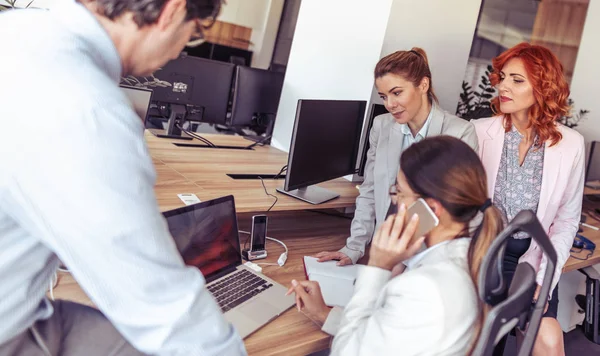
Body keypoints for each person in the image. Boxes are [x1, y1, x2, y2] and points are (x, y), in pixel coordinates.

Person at [0, 0, 247, 355]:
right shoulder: (88, 108)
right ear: (172, 11)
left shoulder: (19, 29)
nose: (179, 52)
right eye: (190, 36)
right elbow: (161, 308)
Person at [313, 48, 478, 334]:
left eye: (397, 93)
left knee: (372, 327)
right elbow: (369, 190)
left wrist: (393, 255)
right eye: (383, 96)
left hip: (427, 258)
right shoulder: (381, 126)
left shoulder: (460, 133)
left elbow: (454, 207)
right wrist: (354, 247)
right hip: (385, 252)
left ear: (423, 85)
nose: (390, 104)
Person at [289, 136, 503, 355]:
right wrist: (325, 314)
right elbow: (393, 335)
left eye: (400, 192)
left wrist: (377, 267)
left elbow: (346, 352)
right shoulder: (469, 257)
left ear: (431, 209)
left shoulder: (425, 287)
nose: (395, 201)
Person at [473, 42, 585, 356]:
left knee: (548, 340)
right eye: (503, 77)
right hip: (485, 256)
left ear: (543, 89)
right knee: (484, 342)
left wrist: (543, 279)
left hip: (535, 258)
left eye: (517, 80)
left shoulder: (571, 145)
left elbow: (566, 220)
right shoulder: (479, 133)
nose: (503, 86)